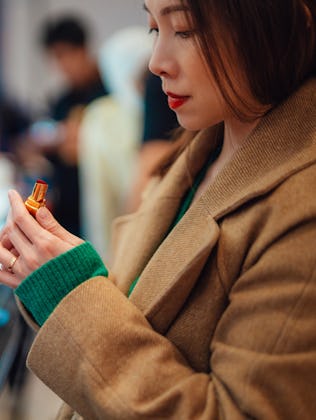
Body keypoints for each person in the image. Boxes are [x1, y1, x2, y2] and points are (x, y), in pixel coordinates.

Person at [0, 1, 315, 419]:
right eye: (153, 29)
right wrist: (56, 273)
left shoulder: (301, 208)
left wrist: (70, 296)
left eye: (185, 30)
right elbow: (144, 309)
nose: (156, 63)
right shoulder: (199, 151)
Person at [39, 15, 108, 236]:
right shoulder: (61, 101)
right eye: (55, 58)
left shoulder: (107, 93)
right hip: (67, 204)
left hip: (101, 200)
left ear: (83, 49)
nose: (62, 65)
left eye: (64, 55)